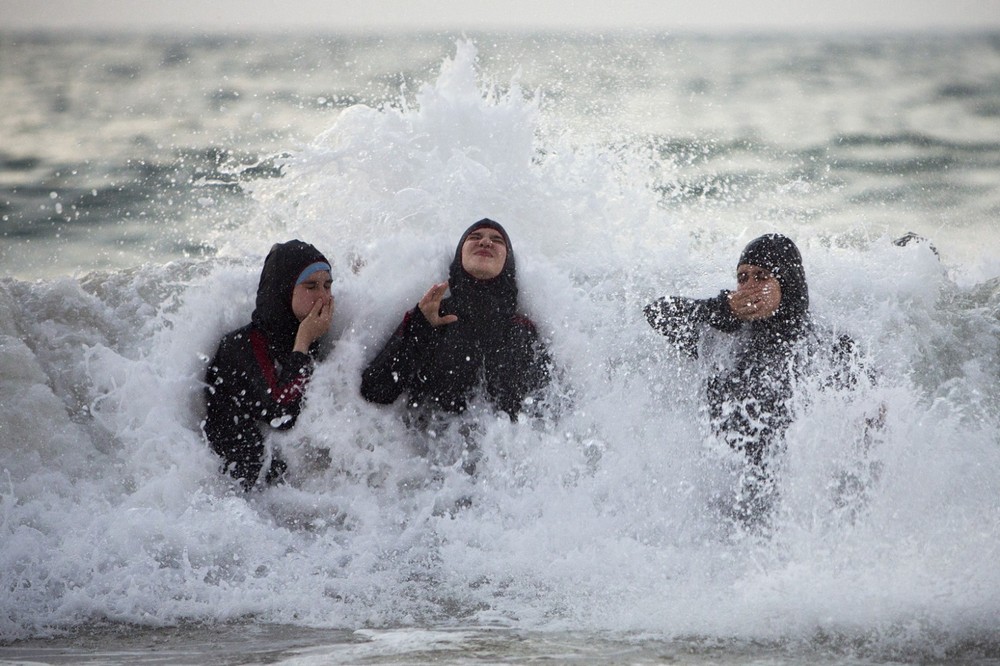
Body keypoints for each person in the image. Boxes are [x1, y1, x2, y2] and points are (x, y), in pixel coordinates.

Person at [644, 233, 869, 525]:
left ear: (786, 281)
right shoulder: (723, 337)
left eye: (761, 277)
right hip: (722, 500)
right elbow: (658, 313)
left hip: (793, 510)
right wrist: (723, 310)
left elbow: (869, 416)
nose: (748, 288)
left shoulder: (827, 346)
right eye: (742, 278)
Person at [360, 219, 551, 469]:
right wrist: (421, 327)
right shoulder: (431, 314)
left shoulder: (522, 329)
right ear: (459, 255)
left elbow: (547, 412)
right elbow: (376, 390)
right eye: (475, 237)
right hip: (427, 475)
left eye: (497, 240)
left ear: (508, 262)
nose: (485, 241)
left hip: (504, 478)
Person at [203, 239, 333, 491]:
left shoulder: (303, 332)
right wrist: (304, 341)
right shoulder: (242, 345)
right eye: (311, 286)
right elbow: (282, 415)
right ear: (283, 289)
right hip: (229, 490)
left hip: (273, 486)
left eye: (328, 285)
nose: (324, 297)